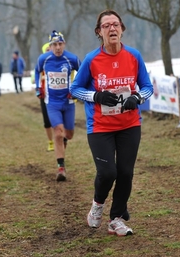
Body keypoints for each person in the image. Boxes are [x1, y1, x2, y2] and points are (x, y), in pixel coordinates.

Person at [70, 9, 153, 236]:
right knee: (108, 173)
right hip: (100, 127)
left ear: (122, 29)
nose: (112, 28)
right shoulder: (91, 59)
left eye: (115, 24)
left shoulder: (134, 56)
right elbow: (75, 88)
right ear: (99, 32)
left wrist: (138, 97)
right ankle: (97, 205)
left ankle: (116, 218)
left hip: (129, 124)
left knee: (126, 173)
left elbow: (148, 87)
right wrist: (95, 96)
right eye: (106, 26)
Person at [35, 30, 81, 181]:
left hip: (68, 102)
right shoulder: (44, 59)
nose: (58, 47)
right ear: (50, 46)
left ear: (64, 44)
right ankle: (61, 168)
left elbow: (82, 74)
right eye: (54, 44)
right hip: (52, 103)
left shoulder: (72, 59)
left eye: (60, 44)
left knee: (68, 134)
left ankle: (63, 142)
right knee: (58, 132)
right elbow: (37, 71)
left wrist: (76, 89)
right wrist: (38, 87)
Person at [32, 42, 54, 152]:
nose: (49, 52)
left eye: (50, 50)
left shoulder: (58, 63)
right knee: (47, 121)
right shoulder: (41, 64)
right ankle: (50, 142)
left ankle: (59, 138)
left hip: (56, 95)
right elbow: (34, 76)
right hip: (44, 95)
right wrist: (37, 87)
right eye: (47, 50)